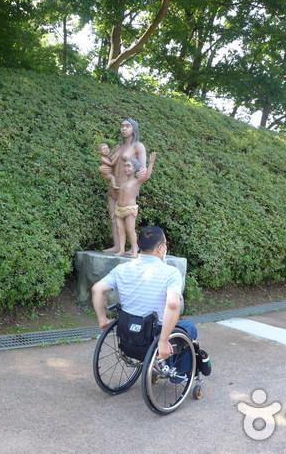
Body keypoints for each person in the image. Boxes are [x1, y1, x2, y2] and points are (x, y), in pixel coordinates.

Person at [91, 226, 197, 378]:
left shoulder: (122, 269)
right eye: (165, 244)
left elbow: (97, 289)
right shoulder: (171, 273)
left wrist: (102, 319)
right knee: (189, 328)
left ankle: (155, 365)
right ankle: (177, 374)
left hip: (127, 333)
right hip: (153, 335)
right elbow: (173, 305)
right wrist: (163, 340)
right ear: (160, 248)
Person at [104, 119, 147, 254]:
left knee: (129, 223)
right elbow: (108, 166)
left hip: (127, 189)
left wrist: (131, 161)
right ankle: (118, 246)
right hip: (114, 187)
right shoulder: (118, 147)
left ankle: (134, 247)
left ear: (133, 129)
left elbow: (142, 169)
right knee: (113, 218)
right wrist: (107, 174)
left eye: (127, 126)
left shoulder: (138, 146)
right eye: (122, 126)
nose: (123, 128)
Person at [115, 153, 157, 256]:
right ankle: (121, 249)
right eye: (125, 166)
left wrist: (151, 163)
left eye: (129, 166)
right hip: (119, 209)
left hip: (130, 209)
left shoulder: (137, 181)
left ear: (135, 169)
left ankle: (134, 249)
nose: (126, 168)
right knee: (120, 230)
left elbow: (147, 176)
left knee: (130, 229)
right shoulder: (123, 182)